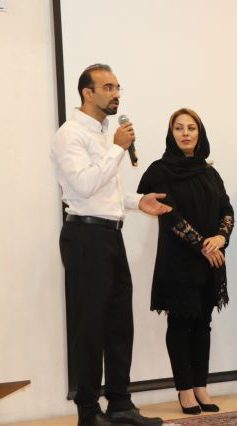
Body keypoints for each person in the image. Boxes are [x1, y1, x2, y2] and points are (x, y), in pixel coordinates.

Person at [51, 64, 170, 426]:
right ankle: (88, 412)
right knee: (89, 326)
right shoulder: (70, 135)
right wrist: (118, 149)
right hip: (86, 238)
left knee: (119, 324)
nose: (116, 94)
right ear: (87, 93)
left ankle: (120, 404)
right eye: (107, 87)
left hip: (110, 234)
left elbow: (105, 191)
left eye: (118, 87)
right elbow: (85, 186)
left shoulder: (105, 134)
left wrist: (137, 201)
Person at [137, 108, 234, 415]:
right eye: (178, 128)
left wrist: (220, 238)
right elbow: (170, 216)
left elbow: (226, 209)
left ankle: (201, 386)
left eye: (191, 127)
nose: (185, 133)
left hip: (210, 260)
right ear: (171, 134)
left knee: (203, 323)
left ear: (199, 133)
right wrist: (202, 244)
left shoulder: (209, 172)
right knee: (180, 324)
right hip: (178, 261)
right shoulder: (160, 171)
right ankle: (184, 390)